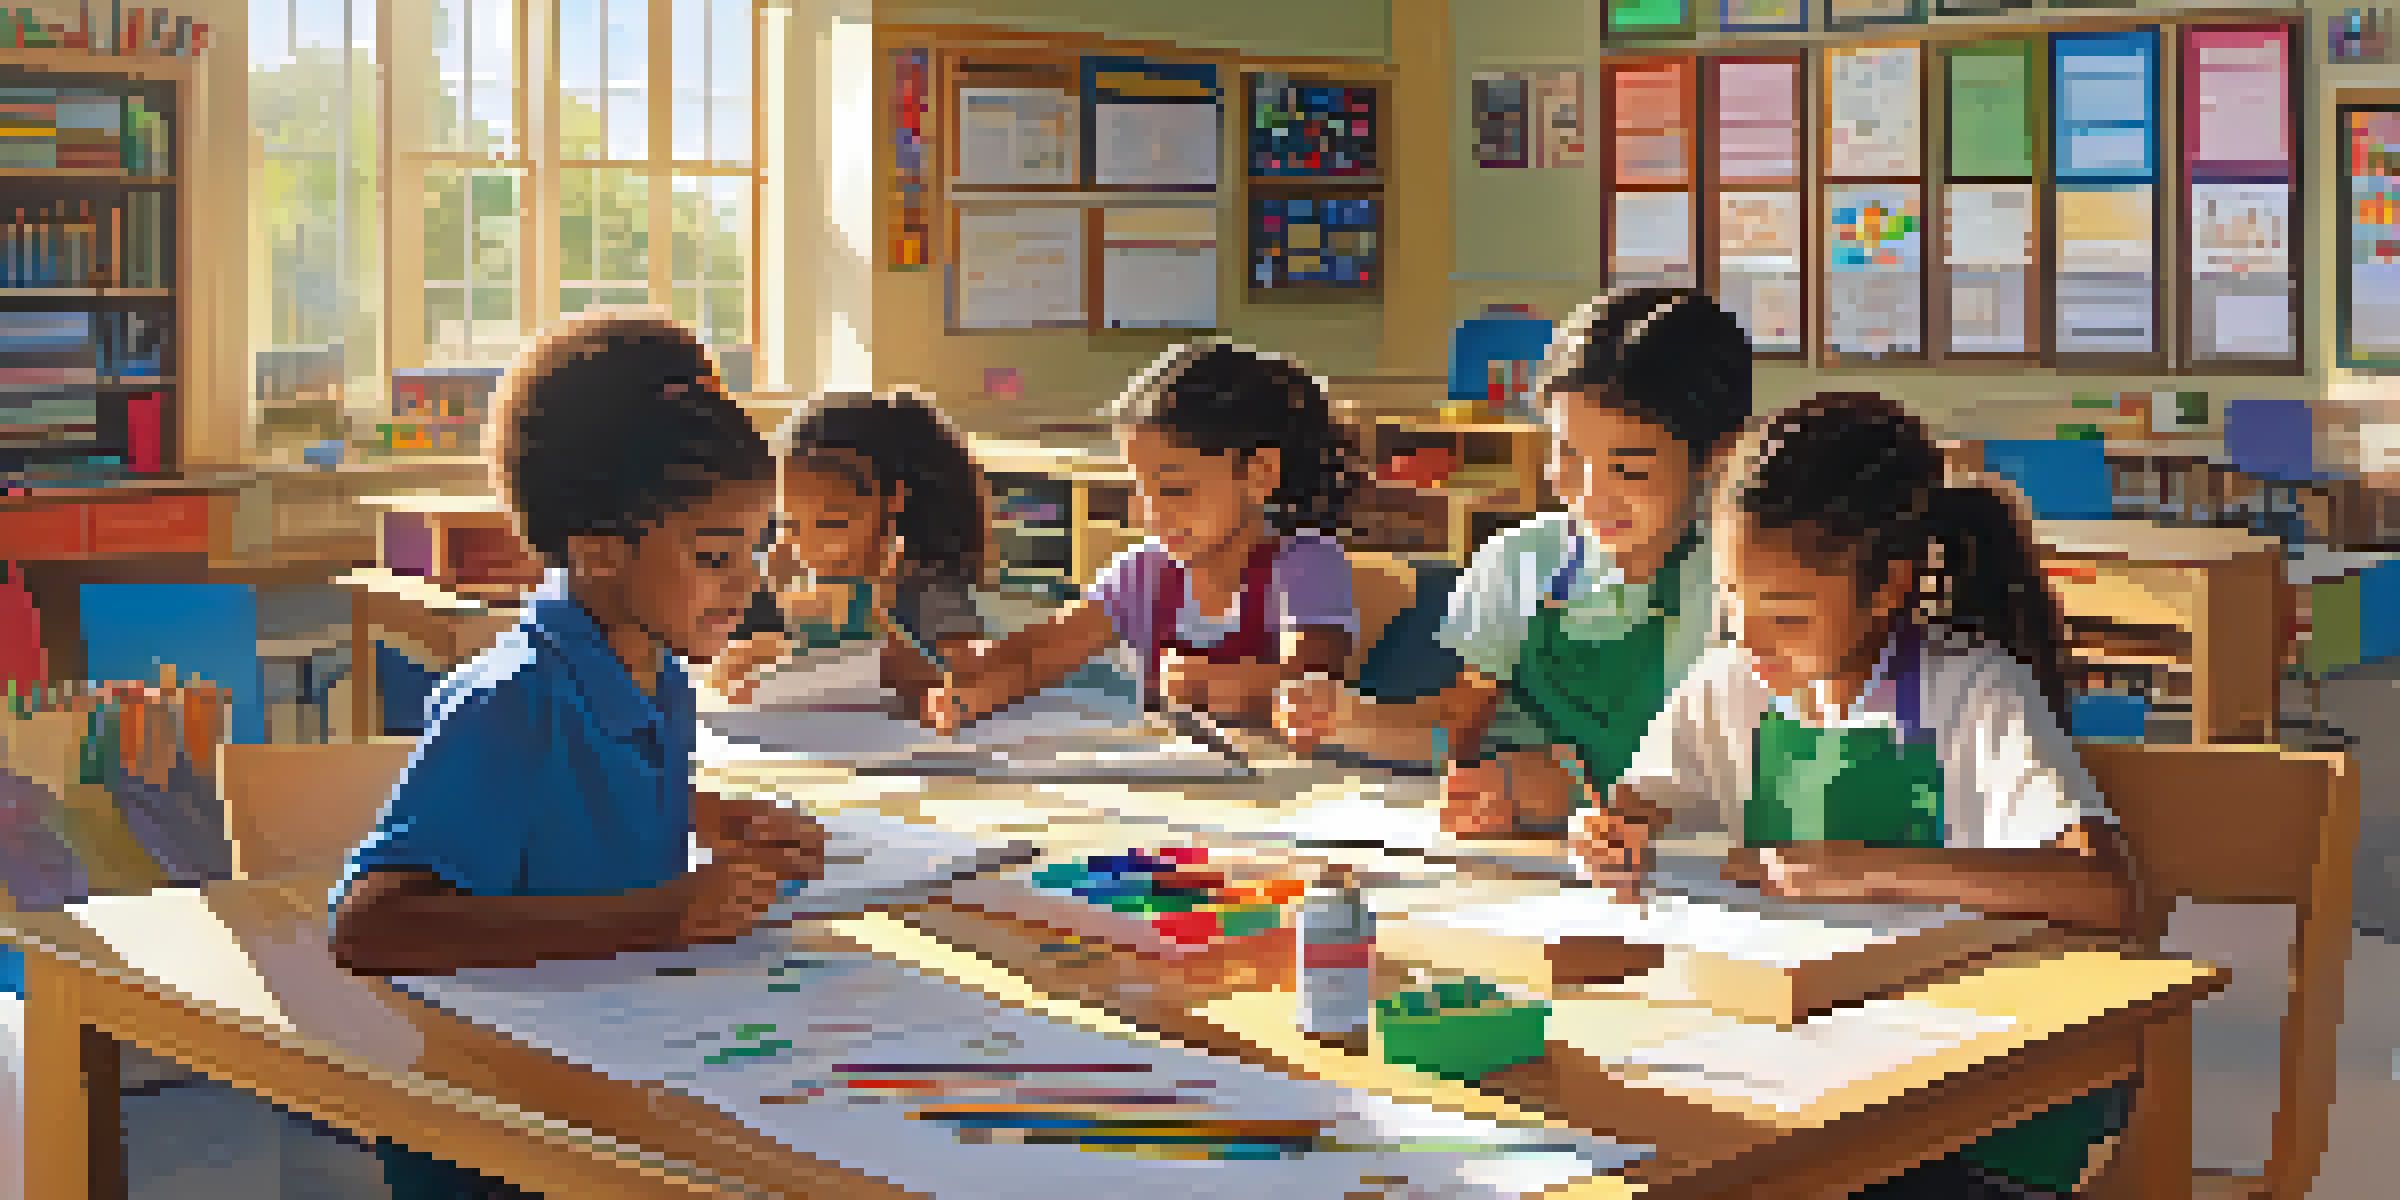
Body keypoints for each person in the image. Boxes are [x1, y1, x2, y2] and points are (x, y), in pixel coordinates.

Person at [1581, 391, 2139, 1200]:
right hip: (1815, 1066)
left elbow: (2104, 892)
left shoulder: (1972, 691)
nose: (1753, 641)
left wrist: (1871, 868)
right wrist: (1608, 835)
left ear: (1888, 588)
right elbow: (1637, 806)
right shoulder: (1733, 682)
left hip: (1978, 1111)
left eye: (1788, 614)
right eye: (1734, 604)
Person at [328, 312, 828, 1199]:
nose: (749, 583)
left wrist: (703, 818)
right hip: (501, 1132)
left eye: (758, 548)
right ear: (597, 549)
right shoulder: (509, 703)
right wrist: (662, 915)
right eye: (715, 554)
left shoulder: (656, 673)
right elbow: (372, 925)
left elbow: (562, 817)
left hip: (617, 1071)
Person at [1276, 288, 1753, 837]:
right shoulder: (1523, 561)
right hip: (1530, 864)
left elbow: (1747, 782)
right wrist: (1349, 718)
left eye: (1629, 470)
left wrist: (1574, 790)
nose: (1591, 496)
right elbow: (1454, 729)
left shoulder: (1740, 588)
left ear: (1719, 455)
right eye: (1567, 454)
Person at [927, 341, 1362, 733]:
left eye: (1173, 490)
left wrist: (1215, 683)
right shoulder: (1144, 573)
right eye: (1138, 490)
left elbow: (1307, 688)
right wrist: (977, 681)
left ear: (1259, 473)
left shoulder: (1305, 565)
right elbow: (1038, 654)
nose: (1147, 513)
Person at [704, 389, 989, 711]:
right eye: (789, 524)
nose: (806, 547)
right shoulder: (789, 580)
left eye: (830, 524)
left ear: (890, 499)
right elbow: (730, 677)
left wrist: (874, 623)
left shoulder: (926, 588)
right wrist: (767, 648)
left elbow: (969, 685)